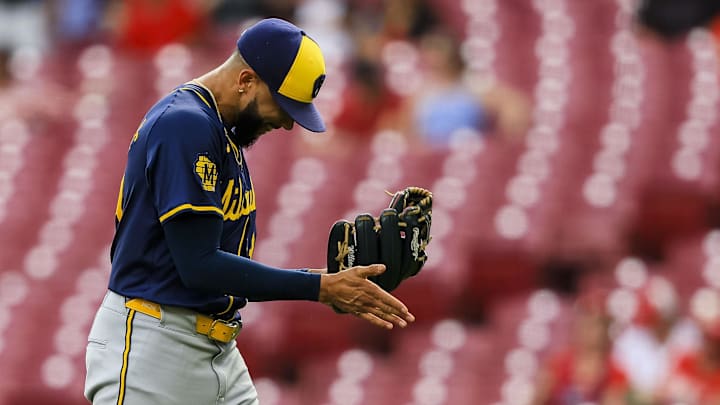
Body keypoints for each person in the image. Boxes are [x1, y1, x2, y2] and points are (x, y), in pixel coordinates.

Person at [84, 17, 415, 405]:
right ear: (245, 81)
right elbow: (199, 265)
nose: (289, 123)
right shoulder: (185, 125)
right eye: (283, 104)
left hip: (215, 347)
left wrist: (326, 279)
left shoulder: (218, 129)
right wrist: (319, 287)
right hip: (156, 348)